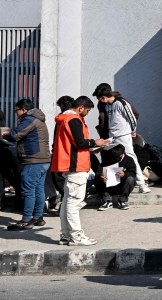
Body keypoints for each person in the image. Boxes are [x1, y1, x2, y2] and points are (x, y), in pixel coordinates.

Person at [52, 95, 108, 246]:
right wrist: (96, 142)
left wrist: (91, 149)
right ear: (81, 107)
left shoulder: (64, 118)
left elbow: (75, 144)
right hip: (76, 166)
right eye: (87, 111)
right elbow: (80, 142)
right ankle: (76, 235)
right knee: (74, 202)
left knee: (67, 201)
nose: (87, 114)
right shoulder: (74, 119)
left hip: (69, 164)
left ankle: (66, 235)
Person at [91, 84, 150, 195]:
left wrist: (132, 131)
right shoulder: (106, 106)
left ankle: (142, 185)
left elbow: (132, 117)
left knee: (131, 158)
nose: (99, 100)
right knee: (112, 160)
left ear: (103, 97)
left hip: (123, 136)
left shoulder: (121, 103)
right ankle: (113, 186)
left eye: (99, 98)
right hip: (111, 137)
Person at [3, 98, 50, 229]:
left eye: (16, 110)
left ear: (23, 110)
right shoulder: (38, 119)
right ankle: (38, 217)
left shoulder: (29, 120)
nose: (16, 113)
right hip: (43, 159)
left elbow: (15, 135)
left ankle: (26, 220)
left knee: (28, 191)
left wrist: (5, 134)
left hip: (33, 159)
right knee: (38, 189)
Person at [94, 144, 137, 210]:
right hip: (108, 185)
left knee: (131, 179)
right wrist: (101, 176)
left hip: (122, 186)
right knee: (97, 179)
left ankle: (122, 201)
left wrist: (124, 175)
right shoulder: (108, 159)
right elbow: (98, 172)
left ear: (123, 153)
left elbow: (133, 173)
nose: (115, 160)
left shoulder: (129, 160)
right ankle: (107, 200)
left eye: (118, 157)